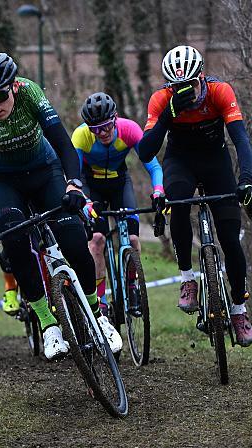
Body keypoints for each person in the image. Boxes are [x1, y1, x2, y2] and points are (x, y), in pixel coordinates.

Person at [0, 51, 123, 360]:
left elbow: (63, 143)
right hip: (4, 182)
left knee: (76, 242)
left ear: (12, 87)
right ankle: (49, 324)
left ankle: (97, 315)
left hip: (44, 171)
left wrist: (73, 184)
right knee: (14, 243)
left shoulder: (30, 93)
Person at [137, 45, 252, 346]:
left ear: (201, 76)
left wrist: (246, 180)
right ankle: (187, 279)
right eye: (177, 86)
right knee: (177, 202)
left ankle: (239, 311)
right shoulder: (162, 100)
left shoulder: (220, 92)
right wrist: (168, 115)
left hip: (216, 161)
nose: (185, 91)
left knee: (230, 237)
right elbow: (145, 150)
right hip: (181, 161)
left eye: (189, 85)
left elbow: (241, 140)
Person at [71, 92, 164, 314]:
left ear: (115, 118)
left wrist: (159, 191)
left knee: (132, 238)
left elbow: (153, 166)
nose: (102, 133)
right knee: (96, 240)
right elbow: (73, 175)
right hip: (91, 187)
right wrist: (84, 201)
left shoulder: (130, 129)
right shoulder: (80, 136)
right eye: (95, 129)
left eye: (106, 126)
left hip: (119, 185)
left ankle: (132, 285)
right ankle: (100, 299)